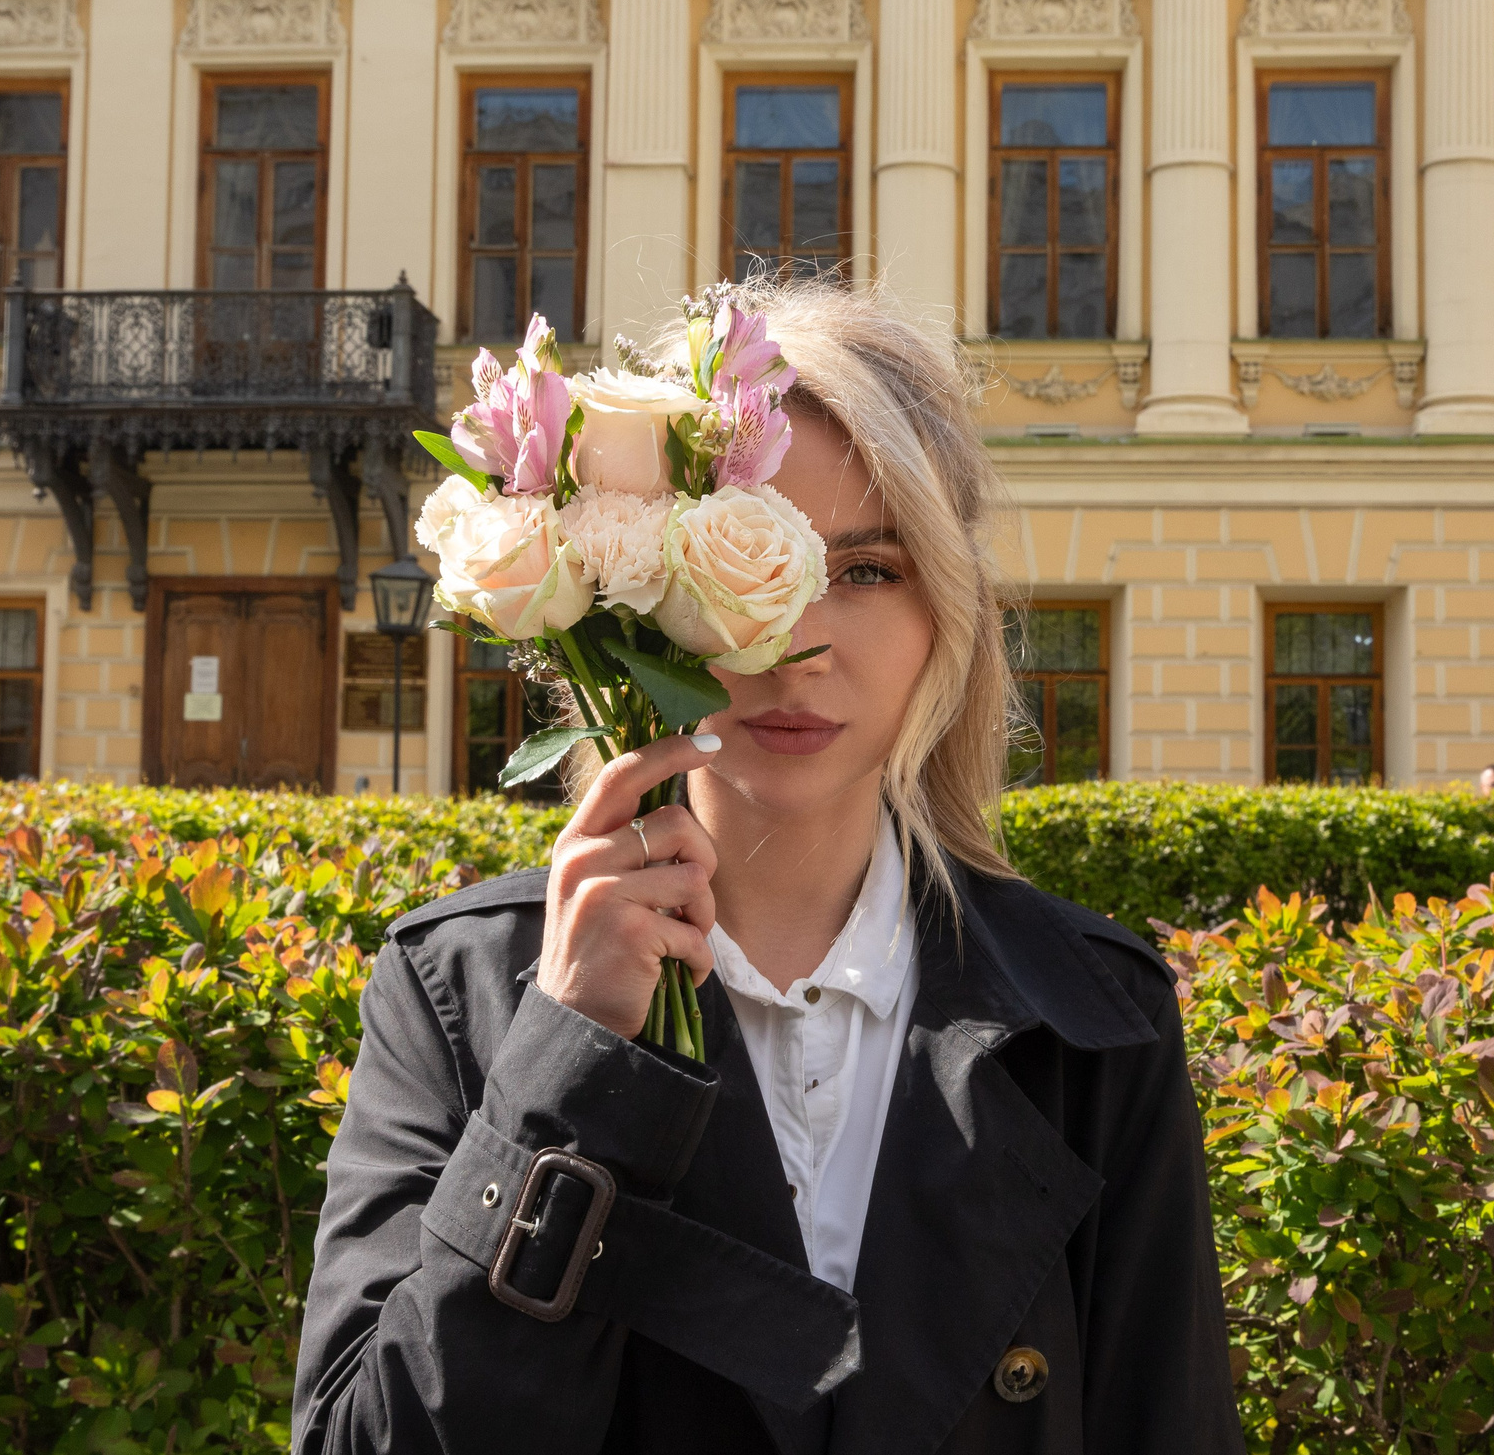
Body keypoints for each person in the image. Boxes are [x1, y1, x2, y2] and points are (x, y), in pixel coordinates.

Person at [294, 282, 1242, 1455]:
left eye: (868, 570)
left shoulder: (1089, 1024)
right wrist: (570, 1063)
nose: (796, 639)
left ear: (945, 612)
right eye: (740, 555)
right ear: (633, 599)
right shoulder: (466, 991)